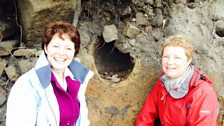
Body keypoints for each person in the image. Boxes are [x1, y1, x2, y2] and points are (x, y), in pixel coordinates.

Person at [6, 21, 94, 126]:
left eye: (68, 48)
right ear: (46, 48)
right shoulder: (27, 84)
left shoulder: (76, 80)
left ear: (74, 52)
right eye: (56, 46)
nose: (61, 53)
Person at [136, 35, 218, 126]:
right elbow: (146, 116)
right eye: (166, 56)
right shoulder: (162, 83)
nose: (170, 62)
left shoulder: (202, 92)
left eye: (177, 58)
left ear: (188, 61)